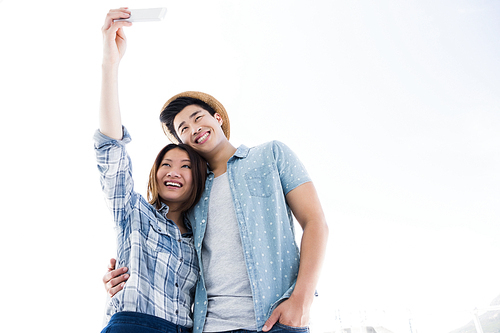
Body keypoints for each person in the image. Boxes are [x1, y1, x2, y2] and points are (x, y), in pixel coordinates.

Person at [104, 9, 329, 333]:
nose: (194, 128)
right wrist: (124, 277)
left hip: (276, 320)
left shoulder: (271, 155)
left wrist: (302, 300)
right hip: (209, 327)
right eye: (183, 128)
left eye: (198, 117)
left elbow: (315, 222)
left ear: (217, 117)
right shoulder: (192, 191)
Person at [96, 8, 207, 333]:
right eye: (166, 164)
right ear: (155, 174)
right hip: (134, 325)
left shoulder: (201, 237)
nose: (174, 172)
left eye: (186, 166)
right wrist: (110, 63)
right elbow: (110, 148)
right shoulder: (133, 213)